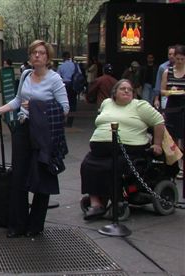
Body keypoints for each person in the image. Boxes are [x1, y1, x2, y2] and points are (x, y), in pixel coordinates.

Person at [0, 40, 69, 238]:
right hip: (23, 129)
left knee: (41, 177)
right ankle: (17, 224)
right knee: (18, 177)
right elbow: (17, 100)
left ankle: (36, 225)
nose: (37, 56)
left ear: (47, 58)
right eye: (34, 53)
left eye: (41, 53)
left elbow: (64, 109)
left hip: (43, 134)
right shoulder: (25, 75)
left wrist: (37, 107)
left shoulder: (55, 79)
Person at [80, 79, 165, 220]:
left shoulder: (140, 105)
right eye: (122, 88)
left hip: (128, 149)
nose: (126, 91)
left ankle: (115, 200)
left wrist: (157, 144)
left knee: (114, 166)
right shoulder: (107, 103)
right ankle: (96, 203)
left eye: (129, 89)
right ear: (114, 92)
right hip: (99, 150)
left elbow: (159, 121)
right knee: (87, 165)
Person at [160, 44, 185, 179]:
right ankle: (174, 167)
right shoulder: (167, 71)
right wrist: (170, 91)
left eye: (182, 59)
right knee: (172, 138)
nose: (180, 61)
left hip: (184, 105)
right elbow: (162, 90)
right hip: (172, 106)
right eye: (178, 59)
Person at [57, 51, 81, 127]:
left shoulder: (61, 66)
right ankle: (70, 121)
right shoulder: (75, 65)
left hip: (64, 85)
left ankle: (63, 119)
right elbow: (79, 74)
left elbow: (57, 76)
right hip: (73, 85)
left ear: (63, 57)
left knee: (63, 102)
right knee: (73, 103)